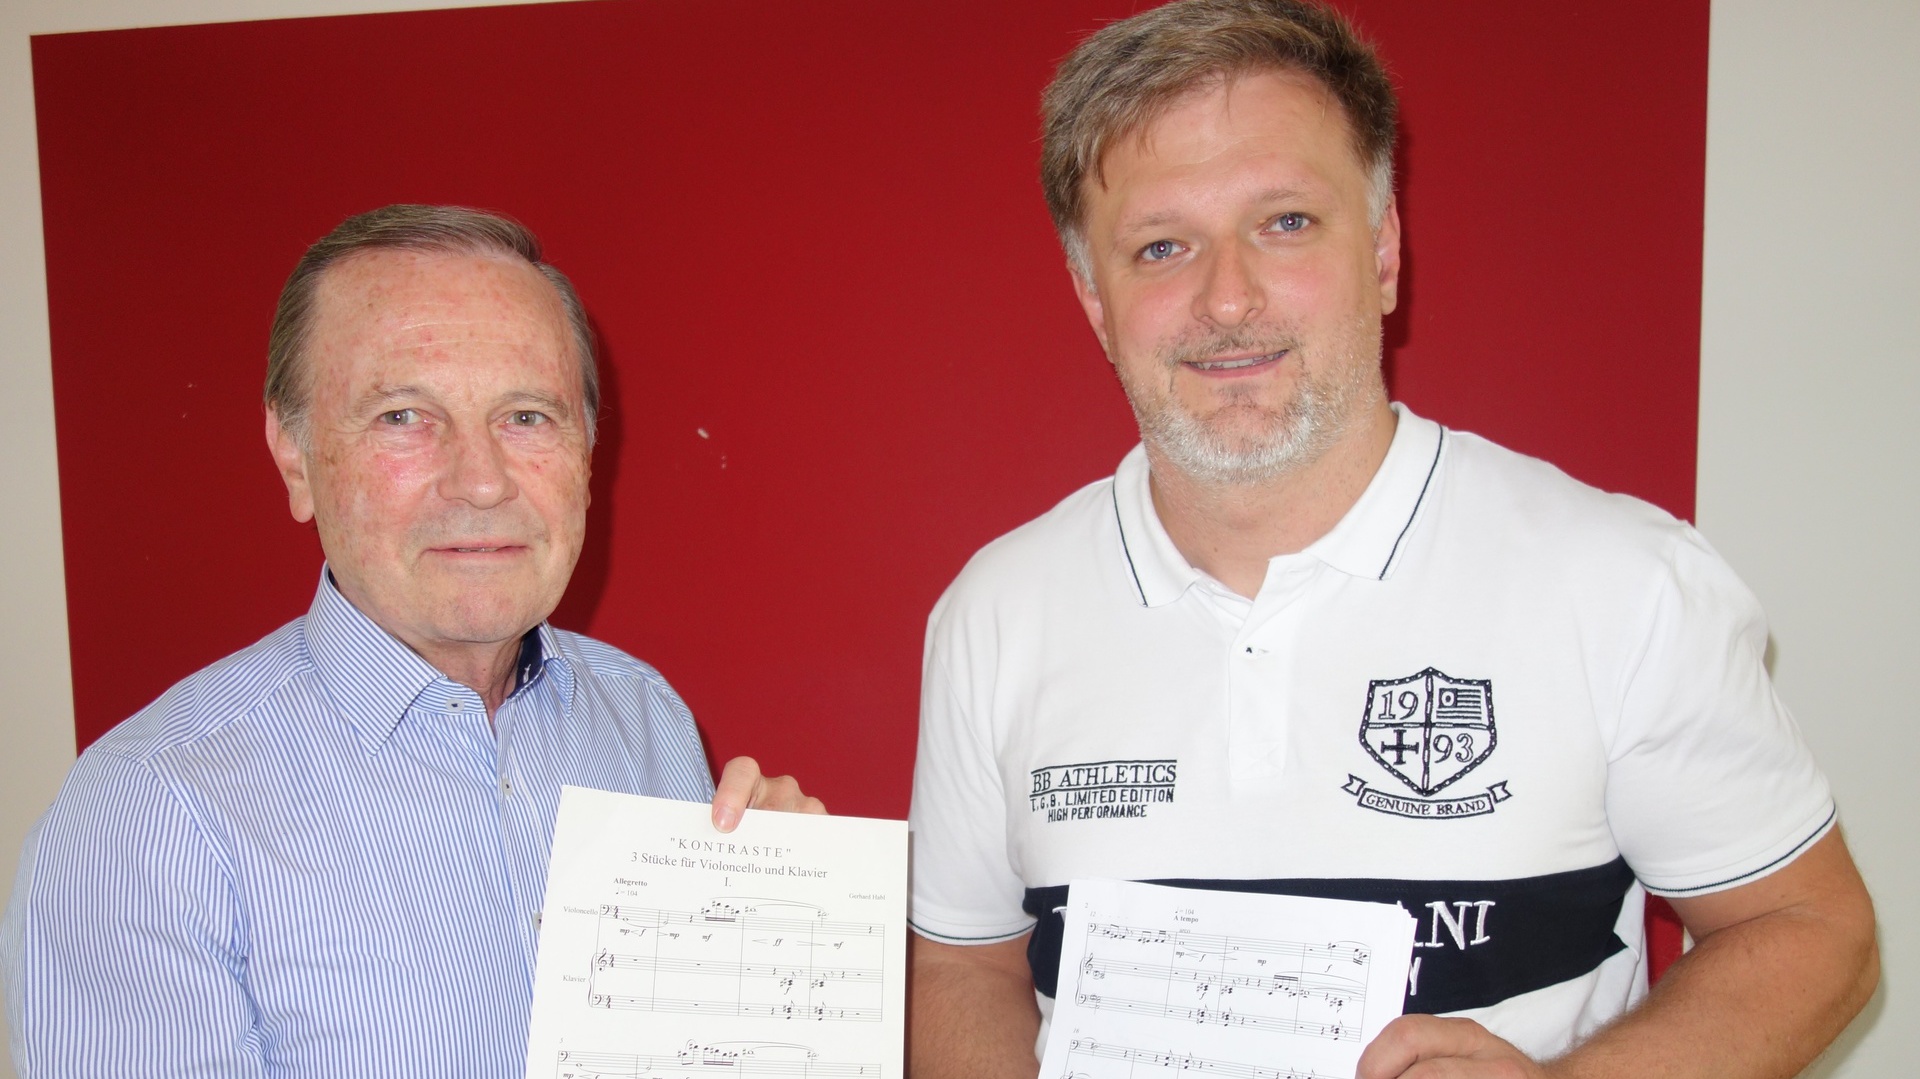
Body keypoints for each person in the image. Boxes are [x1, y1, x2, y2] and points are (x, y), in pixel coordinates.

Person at [904, 3, 1878, 1078]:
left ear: (1383, 252)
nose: (1227, 298)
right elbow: (963, 967)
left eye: (1286, 222)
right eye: (1162, 246)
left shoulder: (1623, 584)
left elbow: (1811, 927)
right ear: (1096, 300)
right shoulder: (996, 614)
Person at [1, 205, 822, 1076]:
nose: (480, 480)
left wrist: (777, 937)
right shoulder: (148, 820)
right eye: (403, 416)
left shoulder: (646, 719)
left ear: (586, 453)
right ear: (294, 455)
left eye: (526, 416)